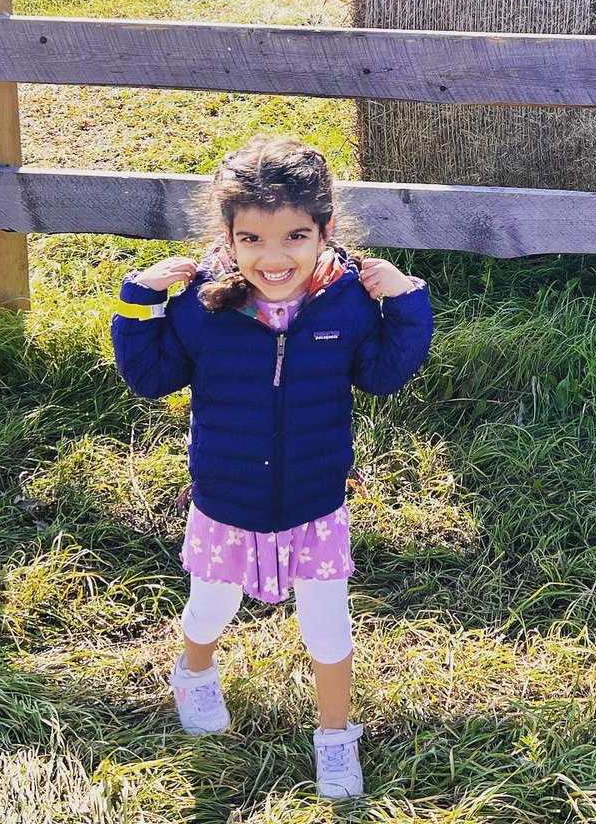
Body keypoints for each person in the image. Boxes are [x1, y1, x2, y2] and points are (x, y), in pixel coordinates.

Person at [111, 136, 433, 800]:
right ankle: (194, 672)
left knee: (329, 628)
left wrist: (403, 302)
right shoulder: (205, 304)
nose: (274, 256)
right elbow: (149, 376)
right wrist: (139, 301)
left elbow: (380, 374)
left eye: (294, 235)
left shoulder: (344, 302)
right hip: (227, 504)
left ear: (325, 231)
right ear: (228, 237)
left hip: (315, 505)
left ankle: (336, 740)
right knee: (208, 611)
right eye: (252, 239)